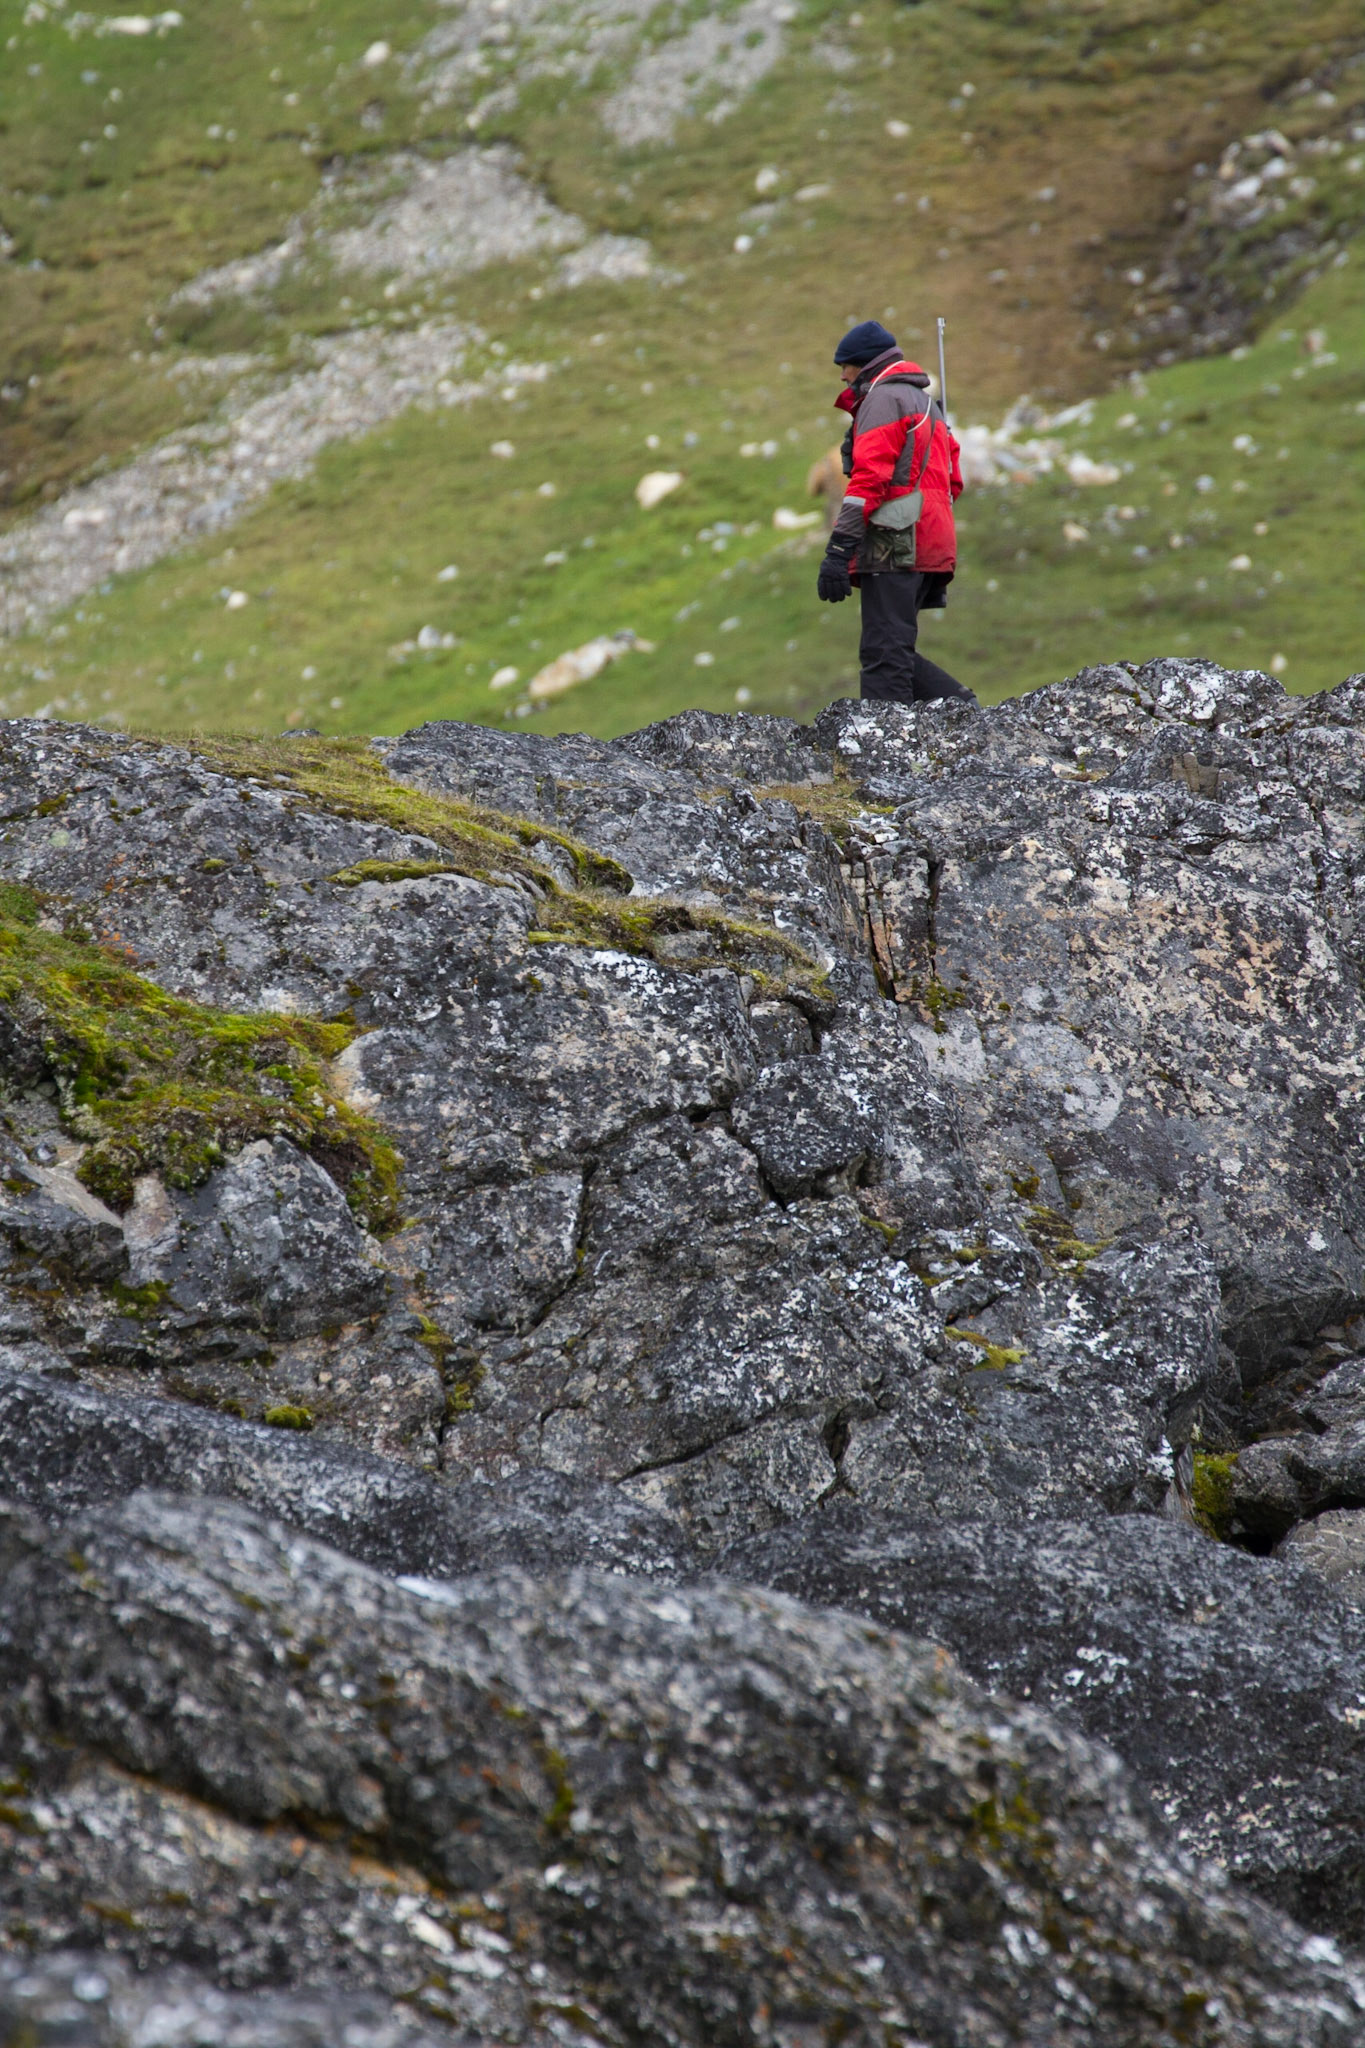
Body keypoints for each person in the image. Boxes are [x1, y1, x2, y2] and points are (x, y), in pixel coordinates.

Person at [816, 319, 976, 707]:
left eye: (846, 366)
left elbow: (869, 479)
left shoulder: (884, 400)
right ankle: (960, 708)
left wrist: (839, 548)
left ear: (865, 364)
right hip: (930, 541)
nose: (842, 376)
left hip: (897, 543)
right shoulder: (926, 404)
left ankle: (885, 754)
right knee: (891, 646)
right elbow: (953, 481)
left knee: (884, 656)